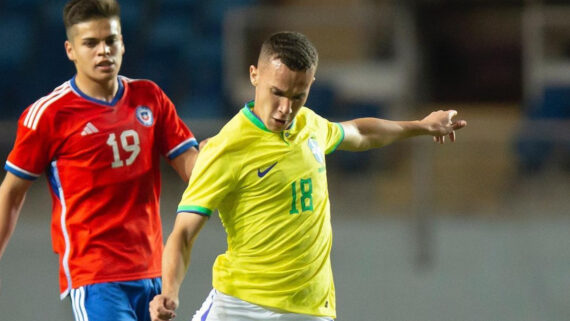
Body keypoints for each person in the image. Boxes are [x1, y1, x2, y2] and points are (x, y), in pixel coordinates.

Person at [149, 31, 467, 321]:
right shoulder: (225, 149)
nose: (286, 108)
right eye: (277, 92)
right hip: (242, 306)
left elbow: (359, 132)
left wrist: (422, 126)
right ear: (254, 76)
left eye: (298, 96)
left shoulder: (310, 126)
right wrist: (170, 292)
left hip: (312, 308)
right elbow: (183, 233)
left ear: (310, 85)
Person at [0, 0, 200, 320]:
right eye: (90, 43)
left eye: (111, 40)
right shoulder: (48, 114)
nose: (103, 51)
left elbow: (191, 166)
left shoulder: (150, 97)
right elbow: (11, 192)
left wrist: (218, 164)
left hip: (152, 271)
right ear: (70, 50)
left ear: (123, 43)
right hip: (95, 276)